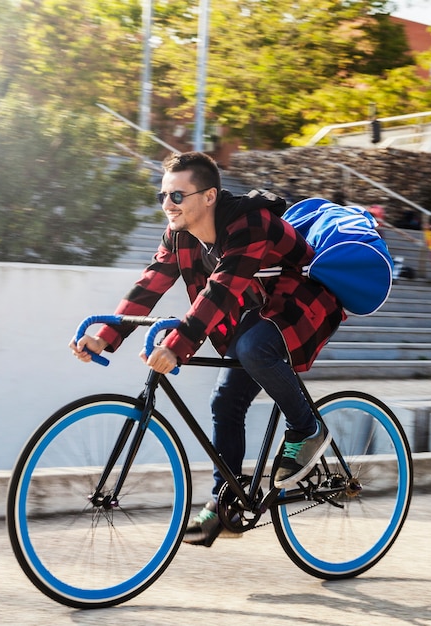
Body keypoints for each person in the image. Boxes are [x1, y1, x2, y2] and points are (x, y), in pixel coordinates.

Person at [70, 151, 345, 547]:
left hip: (302, 298)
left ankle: (307, 428)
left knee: (253, 348)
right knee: (225, 402)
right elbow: (150, 283)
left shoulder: (251, 222)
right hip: (257, 307)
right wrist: (105, 336)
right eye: (163, 195)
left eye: (178, 196)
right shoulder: (178, 234)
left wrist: (179, 344)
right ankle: (225, 503)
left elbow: (221, 290)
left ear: (210, 196)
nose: (167, 204)